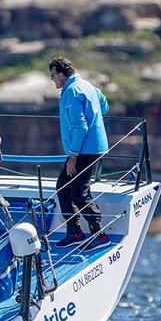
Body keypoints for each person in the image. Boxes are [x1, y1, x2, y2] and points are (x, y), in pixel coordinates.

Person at [48, 56, 110, 251]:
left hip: (83, 150)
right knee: (63, 188)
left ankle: (100, 234)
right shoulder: (87, 85)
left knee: (78, 193)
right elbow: (104, 105)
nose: (52, 80)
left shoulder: (72, 92)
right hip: (88, 147)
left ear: (60, 73)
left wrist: (73, 156)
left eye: (53, 75)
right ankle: (74, 232)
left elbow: (80, 126)